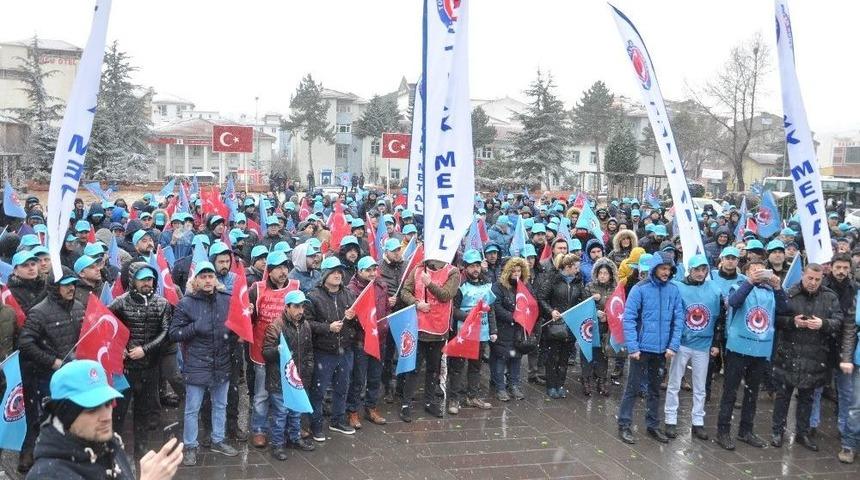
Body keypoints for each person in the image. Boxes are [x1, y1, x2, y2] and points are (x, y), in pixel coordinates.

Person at [25, 360, 183, 480]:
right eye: (92, 409)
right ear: (66, 416)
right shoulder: (47, 475)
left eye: (108, 404)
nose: (106, 416)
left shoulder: (110, 445)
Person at [169, 261, 239, 466]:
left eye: (211, 276)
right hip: (197, 363)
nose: (208, 280)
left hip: (222, 361)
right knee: (192, 408)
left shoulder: (227, 299)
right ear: (196, 280)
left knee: (220, 404)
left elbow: (235, 327)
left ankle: (218, 439)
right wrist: (195, 327)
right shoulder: (186, 303)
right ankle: (190, 445)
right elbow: (174, 333)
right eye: (203, 276)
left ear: (215, 279)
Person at [716, 259, 788, 451]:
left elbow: (784, 310)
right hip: (738, 348)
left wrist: (779, 287)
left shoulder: (771, 292)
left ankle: (745, 430)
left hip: (760, 350)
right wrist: (750, 282)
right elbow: (734, 302)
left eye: (761, 270)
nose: (758, 273)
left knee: (751, 392)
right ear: (746, 272)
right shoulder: (737, 286)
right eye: (754, 270)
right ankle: (723, 431)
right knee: (730, 391)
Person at [17, 267, 84, 473]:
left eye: (73, 284)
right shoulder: (39, 311)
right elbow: (26, 344)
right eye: (66, 284)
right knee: (45, 422)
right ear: (55, 287)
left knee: (70, 420)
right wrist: (52, 361)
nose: (71, 288)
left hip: (71, 375)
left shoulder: (79, 307)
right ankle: (38, 463)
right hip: (46, 377)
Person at [771, 263, 843, 451]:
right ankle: (777, 431)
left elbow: (839, 322)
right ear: (803, 275)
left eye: (817, 280)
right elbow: (776, 318)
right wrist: (792, 322)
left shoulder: (830, 297)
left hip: (815, 354)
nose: (813, 283)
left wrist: (824, 324)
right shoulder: (790, 293)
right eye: (810, 278)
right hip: (789, 352)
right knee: (783, 395)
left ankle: (802, 433)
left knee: (807, 397)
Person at [617, 253, 684, 445]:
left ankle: (653, 425)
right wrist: (633, 347)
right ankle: (624, 424)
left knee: (655, 390)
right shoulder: (639, 289)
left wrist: (673, 345)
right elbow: (629, 318)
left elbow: (679, 318)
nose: (666, 272)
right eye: (662, 268)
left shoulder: (673, 290)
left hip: (662, 350)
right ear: (654, 268)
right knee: (633, 387)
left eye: (668, 269)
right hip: (641, 348)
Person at [663, 254, 725, 441]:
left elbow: (719, 319)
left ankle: (698, 421)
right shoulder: (678, 287)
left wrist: (716, 343)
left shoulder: (714, 289)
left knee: (700, 386)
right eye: (696, 269)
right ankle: (670, 419)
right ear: (690, 270)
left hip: (703, 344)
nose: (700, 273)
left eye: (703, 269)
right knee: (674, 382)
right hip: (681, 342)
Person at [247, 250, 298, 448]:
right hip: (262, 350)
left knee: (288, 391)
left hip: (289, 351)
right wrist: (249, 313)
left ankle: (287, 427)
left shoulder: (295, 287)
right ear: (269, 271)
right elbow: (248, 320)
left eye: (285, 267)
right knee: (261, 394)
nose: (283, 272)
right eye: (278, 268)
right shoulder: (257, 289)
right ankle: (259, 429)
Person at [400, 258, 460, 422]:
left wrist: (430, 284)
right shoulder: (418, 269)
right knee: (413, 368)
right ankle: (405, 404)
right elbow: (405, 291)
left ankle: (429, 401)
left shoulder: (453, 271)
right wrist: (416, 303)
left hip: (439, 331)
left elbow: (446, 295)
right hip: (418, 328)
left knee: (433, 369)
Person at [305, 256, 358, 440]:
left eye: (339, 271)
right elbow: (307, 324)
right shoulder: (313, 296)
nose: (338, 274)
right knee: (318, 391)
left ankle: (337, 420)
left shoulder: (349, 294)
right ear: (325, 274)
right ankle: (316, 425)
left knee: (342, 387)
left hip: (345, 350)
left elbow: (358, 324)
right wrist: (327, 328)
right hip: (323, 352)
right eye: (334, 271)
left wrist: (353, 318)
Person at [261, 290, 316, 460]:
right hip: (280, 380)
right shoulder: (276, 326)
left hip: (297, 379)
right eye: (297, 306)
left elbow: (308, 352)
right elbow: (266, 353)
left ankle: (294, 438)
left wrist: (307, 371)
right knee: (280, 414)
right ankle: (277, 444)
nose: (301, 310)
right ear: (287, 307)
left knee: (296, 411)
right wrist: (277, 351)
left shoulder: (305, 325)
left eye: (302, 306)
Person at [448, 250, 496, 414]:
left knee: (476, 366)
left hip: (482, 332)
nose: (475, 269)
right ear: (465, 267)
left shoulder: (487, 283)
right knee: (457, 367)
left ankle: (472, 396)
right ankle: (454, 399)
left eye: (477, 265)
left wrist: (493, 329)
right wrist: (468, 316)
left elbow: (490, 309)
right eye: (472, 266)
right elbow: (452, 309)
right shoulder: (460, 285)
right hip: (464, 333)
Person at [345, 256, 389, 428]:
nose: (372, 273)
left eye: (374, 269)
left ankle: (371, 407)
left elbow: (385, 309)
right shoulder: (352, 290)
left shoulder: (381, 285)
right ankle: (353, 411)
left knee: (375, 376)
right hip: (361, 340)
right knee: (358, 378)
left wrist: (383, 326)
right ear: (359, 271)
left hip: (379, 338)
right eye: (368, 270)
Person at [538, 254, 587, 399]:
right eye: (576, 267)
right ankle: (551, 386)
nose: (578, 271)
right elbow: (541, 298)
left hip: (570, 325)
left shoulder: (578, 282)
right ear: (567, 267)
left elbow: (582, 300)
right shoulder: (553, 279)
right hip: (554, 325)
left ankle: (560, 385)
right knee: (552, 356)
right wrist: (551, 311)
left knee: (564, 358)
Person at [490, 256, 534, 401]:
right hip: (503, 328)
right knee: (501, 357)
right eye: (513, 271)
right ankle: (500, 387)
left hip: (518, 330)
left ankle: (514, 385)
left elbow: (531, 303)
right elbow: (496, 306)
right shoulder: (498, 286)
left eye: (519, 271)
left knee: (516, 357)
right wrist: (513, 316)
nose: (516, 274)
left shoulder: (525, 286)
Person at [584, 257, 618, 397]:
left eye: (606, 273)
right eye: (600, 273)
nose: (603, 276)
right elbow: (582, 305)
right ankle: (586, 380)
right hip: (590, 327)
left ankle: (602, 381)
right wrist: (593, 305)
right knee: (587, 354)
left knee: (603, 355)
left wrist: (608, 316)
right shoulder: (589, 287)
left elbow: (618, 308)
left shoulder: (615, 289)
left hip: (605, 327)